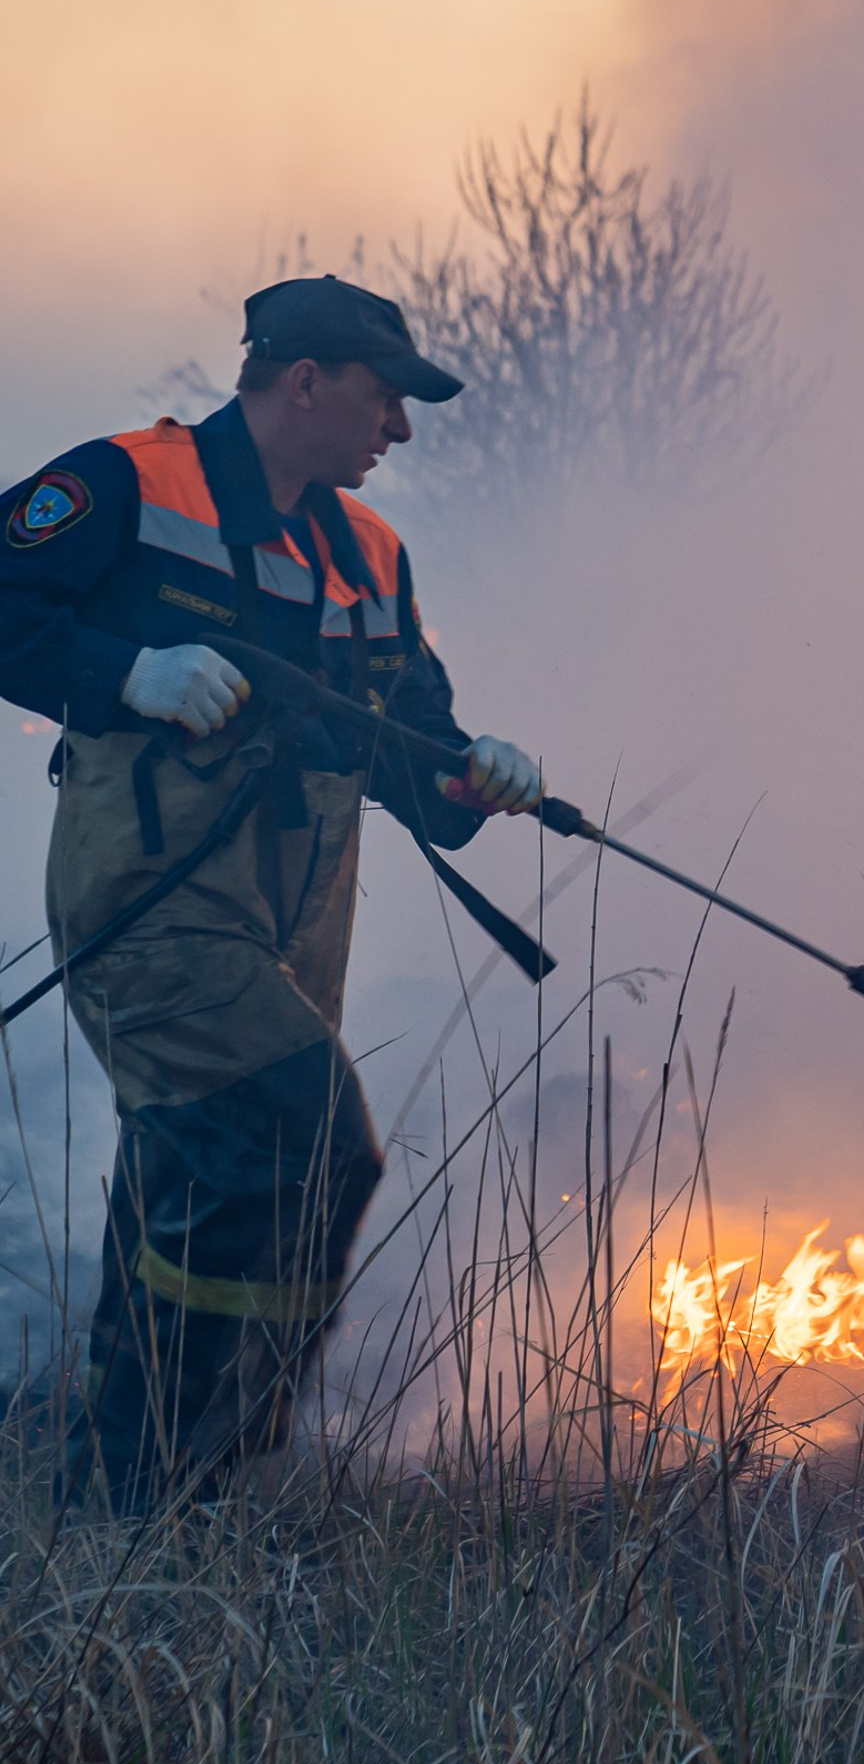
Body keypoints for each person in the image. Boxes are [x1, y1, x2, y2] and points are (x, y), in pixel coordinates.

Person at [0, 274, 539, 1511]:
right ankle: (202, 1470)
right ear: (305, 381)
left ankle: (129, 1508)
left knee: (196, 1180)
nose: (397, 430)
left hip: (293, 941)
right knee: (317, 1143)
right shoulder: (128, 485)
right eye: (385, 398)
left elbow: (418, 757)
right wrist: (127, 671)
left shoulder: (375, 557)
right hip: (150, 913)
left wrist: (478, 779)